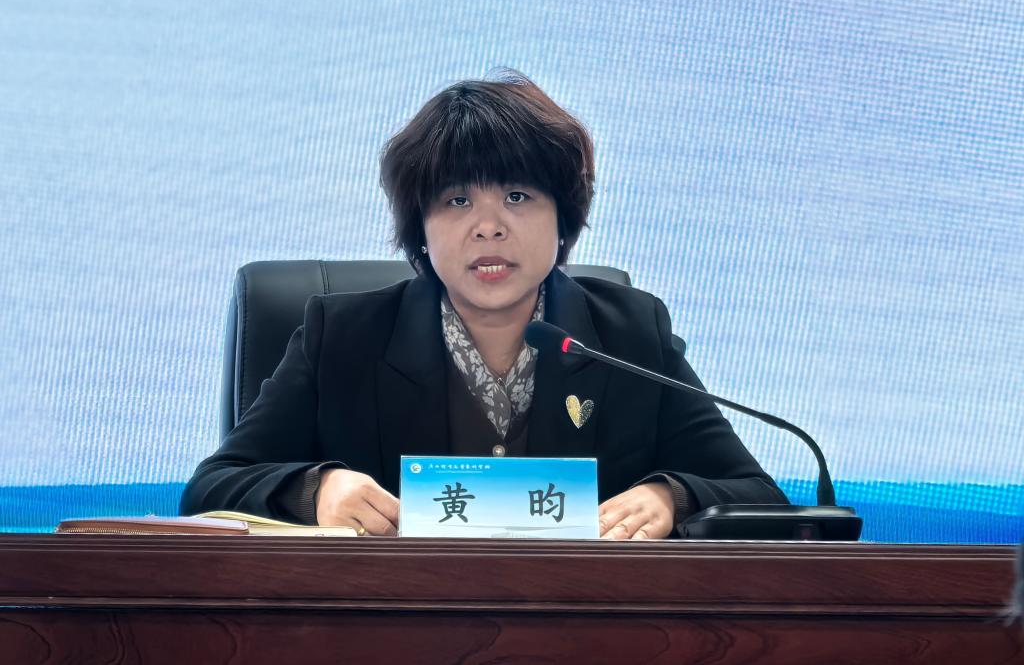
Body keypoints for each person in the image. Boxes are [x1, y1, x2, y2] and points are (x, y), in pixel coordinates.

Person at [180, 71, 787, 538]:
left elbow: (756, 493)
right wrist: (316, 489)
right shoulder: (341, 337)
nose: (489, 227)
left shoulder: (630, 335)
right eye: (457, 201)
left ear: (564, 219)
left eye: (518, 196)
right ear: (420, 228)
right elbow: (210, 488)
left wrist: (670, 497)